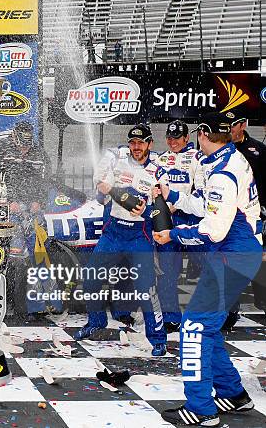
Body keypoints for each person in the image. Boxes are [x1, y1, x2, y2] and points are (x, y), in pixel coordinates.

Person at [156, 113, 261, 426]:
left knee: (194, 327)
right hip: (237, 255)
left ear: (202, 134)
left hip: (232, 256)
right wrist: (172, 196)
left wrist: (173, 234)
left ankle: (201, 409)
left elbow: (213, 229)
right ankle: (234, 394)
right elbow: (207, 205)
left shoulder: (222, 174)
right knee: (206, 325)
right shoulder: (230, 159)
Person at [74, 124, 167, 357]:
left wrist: (147, 210)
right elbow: (100, 187)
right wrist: (114, 192)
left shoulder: (157, 170)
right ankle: (96, 321)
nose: (137, 147)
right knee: (91, 279)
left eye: (141, 142)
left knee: (147, 289)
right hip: (113, 233)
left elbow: (165, 207)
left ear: (149, 144)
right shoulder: (118, 162)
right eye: (133, 143)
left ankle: (157, 338)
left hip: (139, 236)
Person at [0, 121, 56, 316]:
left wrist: (39, 202)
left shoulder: (40, 154)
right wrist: (7, 201)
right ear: (13, 137)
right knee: (13, 258)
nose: (24, 148)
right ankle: (12, 301)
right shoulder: (2, 151)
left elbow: (46, 180)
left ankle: (41, 304)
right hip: (10, 212)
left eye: (28, 143)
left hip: (34, 212)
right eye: (21, 143)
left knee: (40, 256)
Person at [153, 120, 204, 332]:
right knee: (166, 271)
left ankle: (221, 312)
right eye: (170, 138)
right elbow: (155, 188)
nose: (173, 142)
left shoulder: (197, 158)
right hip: (168, 220)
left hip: (192, 218)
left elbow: (201, 190)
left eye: (177, 138)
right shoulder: (161, 159)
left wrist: (179, 203)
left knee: (209, 265)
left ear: (186, 139)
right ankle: (172, 317)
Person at [227, 110, 266, 313]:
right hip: (228, 212)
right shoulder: (221, 149)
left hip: (254, 213)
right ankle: (231, 306)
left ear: (242, 125)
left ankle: (262, 299)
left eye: (231, 126)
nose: (228, 130)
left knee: (257, 255)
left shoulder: (258, 149)